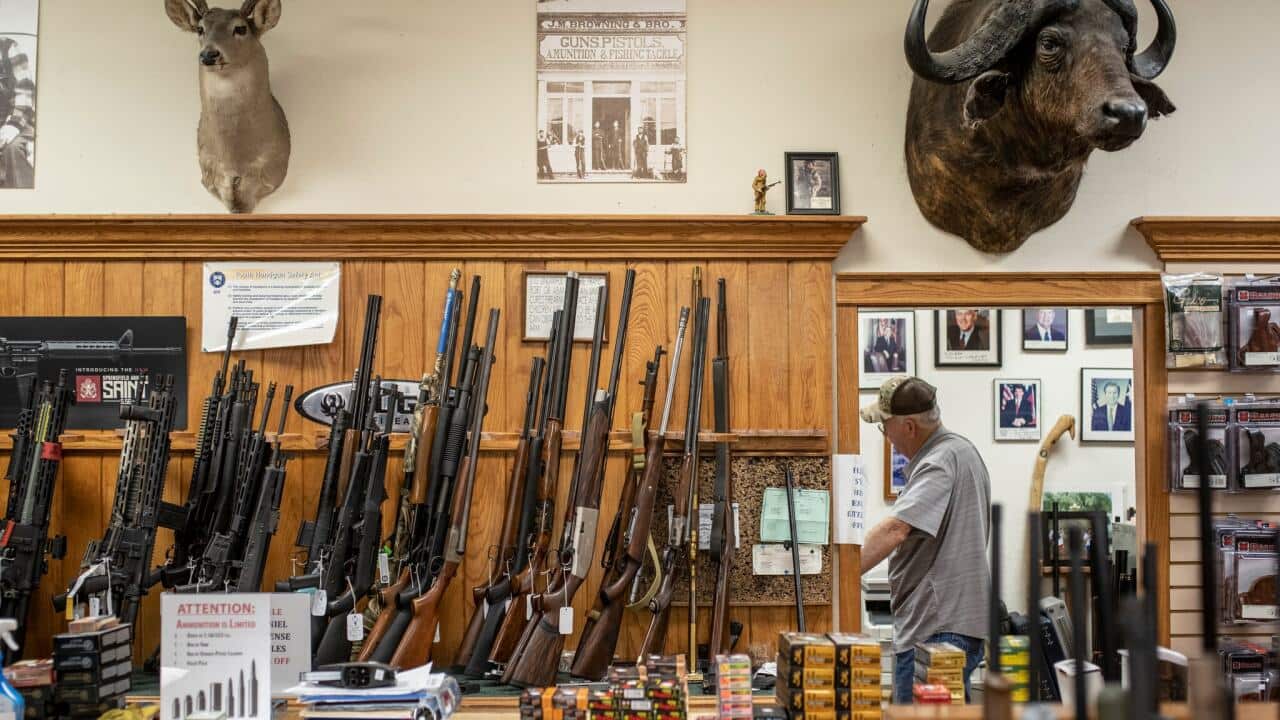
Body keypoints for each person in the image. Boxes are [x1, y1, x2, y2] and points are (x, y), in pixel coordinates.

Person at [859, 376, 991, 705]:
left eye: (885, 426)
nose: (886, 436)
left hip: (937, 628)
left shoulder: (939, 461)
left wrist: (838, 575)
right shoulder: (960, 451)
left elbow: (895, 529)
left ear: (909, 427)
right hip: (947, 625)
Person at [0, 39, 34, 189]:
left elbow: (25, 93)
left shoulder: (8, 48)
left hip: (17, 120)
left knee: (12, 148)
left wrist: (10, 128)